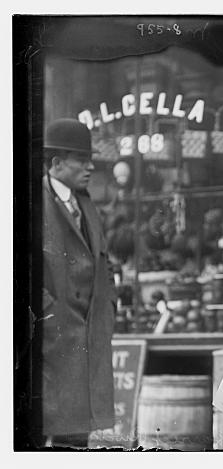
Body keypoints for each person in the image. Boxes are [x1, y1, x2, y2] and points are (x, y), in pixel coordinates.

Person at [41, 118, 117, 448]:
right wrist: (45, 315)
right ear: (56, 163)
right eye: (81, 160)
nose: (90, 166)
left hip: (89, 336)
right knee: (37, 430)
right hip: (48, 339)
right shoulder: (32, 201)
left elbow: (103, 260)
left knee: (76, 433)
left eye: (91, 159)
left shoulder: (85, 203)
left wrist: (109, 304)